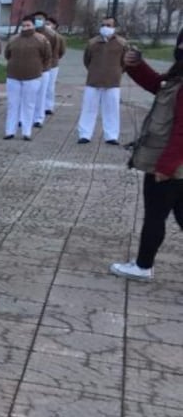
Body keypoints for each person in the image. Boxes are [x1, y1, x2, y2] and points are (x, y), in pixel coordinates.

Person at [110, 30, 183, 281]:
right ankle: (143, 264)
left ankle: (142, 266)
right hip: (171, 162)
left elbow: (182, 131)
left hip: (169, 164)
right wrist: (137, 65)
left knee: (155, 215)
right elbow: (158, 85)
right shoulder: (178, 75)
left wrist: (166, 166)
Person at [78, 17, 128, 145]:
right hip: (93, 81)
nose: (106, 27)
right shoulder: (92, 43)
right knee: (89, 108)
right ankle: (85, 134)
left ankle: (111, 136)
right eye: (104, 24)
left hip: (113, 82)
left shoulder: (122, 43)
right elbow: (86, 60)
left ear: (114, 27)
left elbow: (125, 62)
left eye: (109, 25)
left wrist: (117, 72)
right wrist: (94, 70)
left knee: (112, 109)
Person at [3, 16, 52, 141]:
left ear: (34, 26)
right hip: (13, 76)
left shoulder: (41, 39)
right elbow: (7, 54)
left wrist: (40, 68)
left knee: (29, 104)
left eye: (28, 25)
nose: (26, 28)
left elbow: (47, 56)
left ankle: (26, 131)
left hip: (33, 76)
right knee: (13, 104)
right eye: (24, 25)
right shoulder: (14, 39)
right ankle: (10, 131)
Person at [32, 10, 60, 128]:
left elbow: (57, 52)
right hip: (30, 68)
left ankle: (39, 117)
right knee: (30, 94)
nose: (38, 21)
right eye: (36, 19)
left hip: (45, 68)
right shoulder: (29, 32)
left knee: (43, 92)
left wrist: (48, 65)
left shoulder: (52, 35)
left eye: (41, 19)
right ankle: (26, 117)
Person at [44, 16, 66, 117]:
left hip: (53, 65)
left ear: (54, 26)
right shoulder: (40, 35)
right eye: (46, 23)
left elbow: (61, 51)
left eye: (49, 24)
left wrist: (55, 58)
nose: (47, 25)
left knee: (50, 86)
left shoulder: (59, 38)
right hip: (41, 65)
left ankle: (48, 106)